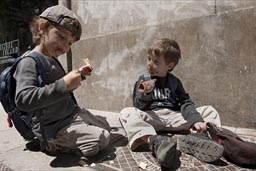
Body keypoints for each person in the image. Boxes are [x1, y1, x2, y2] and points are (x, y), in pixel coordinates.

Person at [14, 5, 111, 157]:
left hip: (69, 115)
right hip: (54, 128)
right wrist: (64, 84)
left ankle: (75, 134)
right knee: (102, 138)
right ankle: (53, 145)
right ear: (42, 28)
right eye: (61, 37)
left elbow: (56, 84)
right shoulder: (29, 62)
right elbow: (23, 99)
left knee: (105, 125)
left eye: (70, 43)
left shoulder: (51, 58)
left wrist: (80, 74)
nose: (65, 46)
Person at [119, 38, 224, 169]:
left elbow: (185, 103)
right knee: (126, 113)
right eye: (149, 59)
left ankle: (198, 137)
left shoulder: (175, 82)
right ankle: (155, 141)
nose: (150, 64)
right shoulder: (143, 79)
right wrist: (146, 93)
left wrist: (195, 120)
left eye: (156, 62)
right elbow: (138, 106)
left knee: (209, 110)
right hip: (152, 118)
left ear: (169, 66)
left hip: (174, 117)